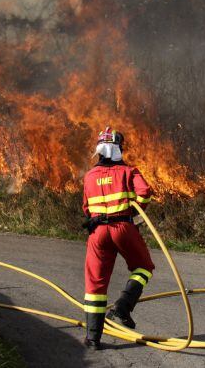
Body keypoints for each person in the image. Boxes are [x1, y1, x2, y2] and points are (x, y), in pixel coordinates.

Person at [81, 127, 155, 350]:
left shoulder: (89, 176)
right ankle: (122, 307)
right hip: (122, 226)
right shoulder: (128, 172)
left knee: (95, 284)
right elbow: (145, 192)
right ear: (117, 149)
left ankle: (93, 339)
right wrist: (135, 210)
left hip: (97, 233)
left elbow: (86, 208)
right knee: (143, 267)